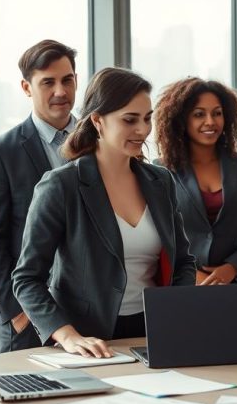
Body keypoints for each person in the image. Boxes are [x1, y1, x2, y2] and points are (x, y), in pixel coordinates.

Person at [11, 67, 195, 358]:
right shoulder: (61, 186)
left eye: (147, 119)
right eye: (129, 120)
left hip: (153, 333)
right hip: (87, 341)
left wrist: (172, 315)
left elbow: (184, 262)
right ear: (97, 121)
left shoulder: (161, 181)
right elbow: (26, 278)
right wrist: (67, 335)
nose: (143, 130)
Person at [0, 39, 78, 356]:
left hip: (86, 312)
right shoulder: (1, 151)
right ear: (26, 87)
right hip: (28, 315)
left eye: (67, 80)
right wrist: (16, 311)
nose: (60, 91)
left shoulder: (99, 143)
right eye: (48, 82)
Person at [153, 77, 237, 285]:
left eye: (217, 113)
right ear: (181, 119)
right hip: (182, 286)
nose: (210, 122)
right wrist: (191, 275)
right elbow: (158, 237)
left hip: (234, 285)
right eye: (199, 114)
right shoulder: (161, 170)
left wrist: (232, 268)